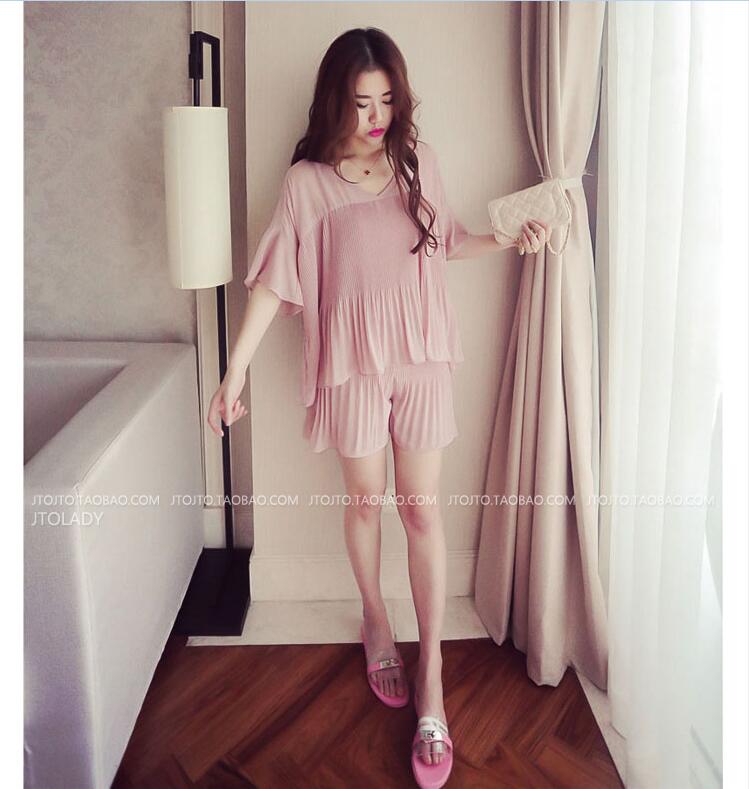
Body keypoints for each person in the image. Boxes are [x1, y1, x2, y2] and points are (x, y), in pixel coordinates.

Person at [207, 26, 547, 789]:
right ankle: (376, 619)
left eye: (386, 100)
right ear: (336, 100)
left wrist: (507, 239)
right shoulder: (306, 184)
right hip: (350, 367)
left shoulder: (417, 160)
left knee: (420, 509)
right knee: (365, 501)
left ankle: (432, 682)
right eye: (361, 103)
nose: (375, 117)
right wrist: (234, 371)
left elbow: (446, 239)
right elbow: (273, 284)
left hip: (421, 358)